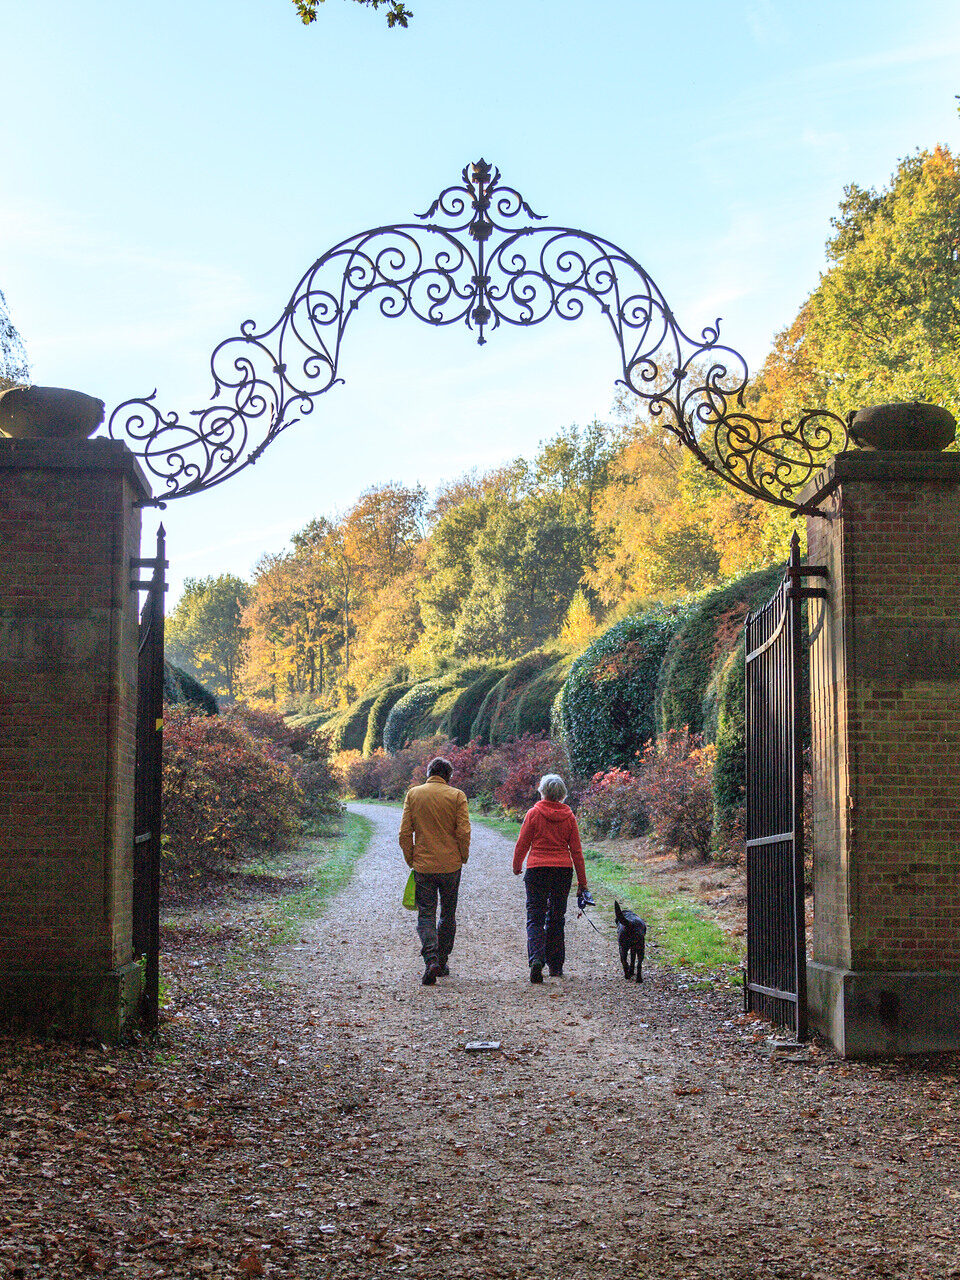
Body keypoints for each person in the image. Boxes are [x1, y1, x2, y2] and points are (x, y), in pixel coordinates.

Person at [399, 756, 471, 985]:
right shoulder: (457, 796)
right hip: (450, 865)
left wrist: (411, 858)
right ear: (448, 776)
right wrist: (463, 855)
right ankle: (442, 959)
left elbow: (404, 833)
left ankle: (430, 958)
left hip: (424, 865)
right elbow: (464, 832)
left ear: (429, 772)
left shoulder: (413, 794)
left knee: (426, 914)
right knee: (448, 914)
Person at [513, 774, 588, 983]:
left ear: (542, 791)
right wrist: (582, 882)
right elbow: (577, 852)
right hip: (562, 871)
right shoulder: (569, 817)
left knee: (535, 916)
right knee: (557, 917)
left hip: (537, 869)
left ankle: (537, 958)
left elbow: (522, 843)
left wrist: (517, 865)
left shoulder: (534, 813)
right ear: (562, 793)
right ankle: (555, 966)